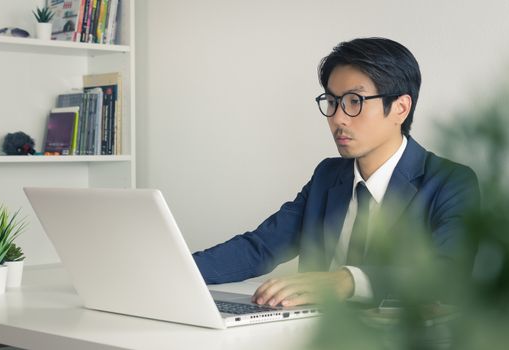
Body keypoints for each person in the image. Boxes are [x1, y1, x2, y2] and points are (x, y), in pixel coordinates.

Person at [192, 37, 480, 307]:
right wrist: (172, 270)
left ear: (400, 108)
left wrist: (347, 280)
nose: (338, 118)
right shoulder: (328, 176)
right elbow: (260, 248)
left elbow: (448, 275)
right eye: (331, 102)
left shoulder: (451, 182)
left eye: (354, 101)